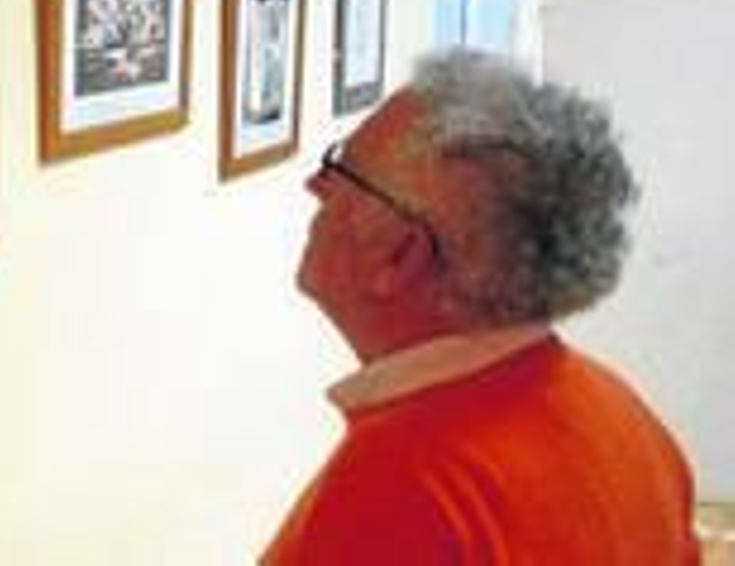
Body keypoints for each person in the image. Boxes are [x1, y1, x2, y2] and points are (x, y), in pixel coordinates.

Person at [263, 49, 700, 563]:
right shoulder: (621, 414)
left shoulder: (400, 488)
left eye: (343, 171)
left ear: (400, 255)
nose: (315, 187)